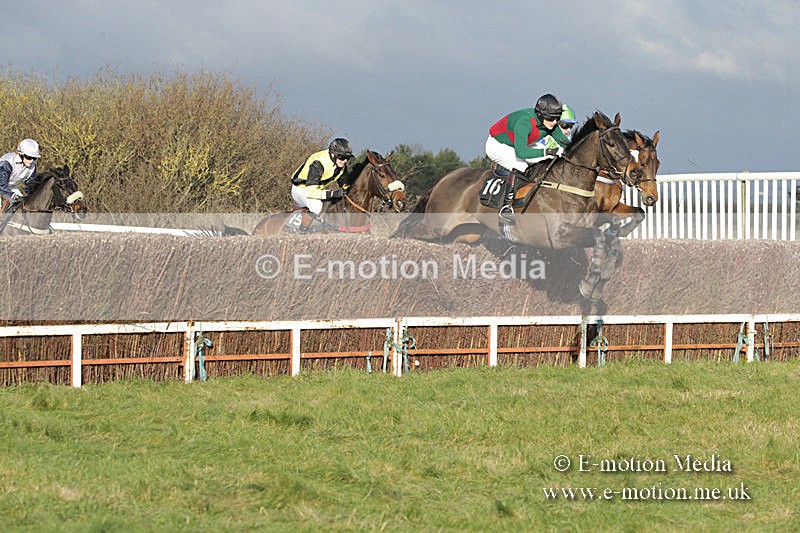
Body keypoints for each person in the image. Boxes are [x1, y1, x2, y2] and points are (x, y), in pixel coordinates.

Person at [485, 94, 571, 223]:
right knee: (521, 166)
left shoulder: (550, 124)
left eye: (557, 119)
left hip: (519, 144)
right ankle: (506, 207)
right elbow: (522, 152)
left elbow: (565, 143)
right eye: (551, 118)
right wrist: (548, 150)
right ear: (541, 114)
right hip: (498, 145)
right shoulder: (525, 122)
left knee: (546, 160)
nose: (554, 122)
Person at [290, 138, 353, 231]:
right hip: (300, 190)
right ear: (332, 154)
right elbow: (311, 192)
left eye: (347, 158)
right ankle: (302, 231)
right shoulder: (318, 163)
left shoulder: (340, 165)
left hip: (316, 189)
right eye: (342, 158)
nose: (345, 161)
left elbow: (344, 182)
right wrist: (333, 194)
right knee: (316, 205)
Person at [0, 138, 41, 211]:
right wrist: (12, 196)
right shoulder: (7, 163)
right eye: (29, 157)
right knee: (10, 202)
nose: (31, 161)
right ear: (21, 154)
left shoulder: (32, 167)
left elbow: (30, 185)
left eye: (34, 158)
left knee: (23, 205)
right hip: (2, 186)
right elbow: (1, 185)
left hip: (10, 186)